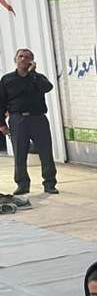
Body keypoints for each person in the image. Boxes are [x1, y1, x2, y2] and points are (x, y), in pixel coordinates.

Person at [0, 48, 58, 195]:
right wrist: (2, 124)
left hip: (38, 118)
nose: (23, 59)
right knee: (19, 154)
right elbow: (1, 102)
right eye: (20, 56)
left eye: (27, 57)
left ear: (32, 61)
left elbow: (48, 87)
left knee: (45, 152)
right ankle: (22, 185)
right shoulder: (7, 80)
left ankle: (49, 183)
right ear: (15, 59)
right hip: (17, 120)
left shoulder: (38, 78)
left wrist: (33, 74)